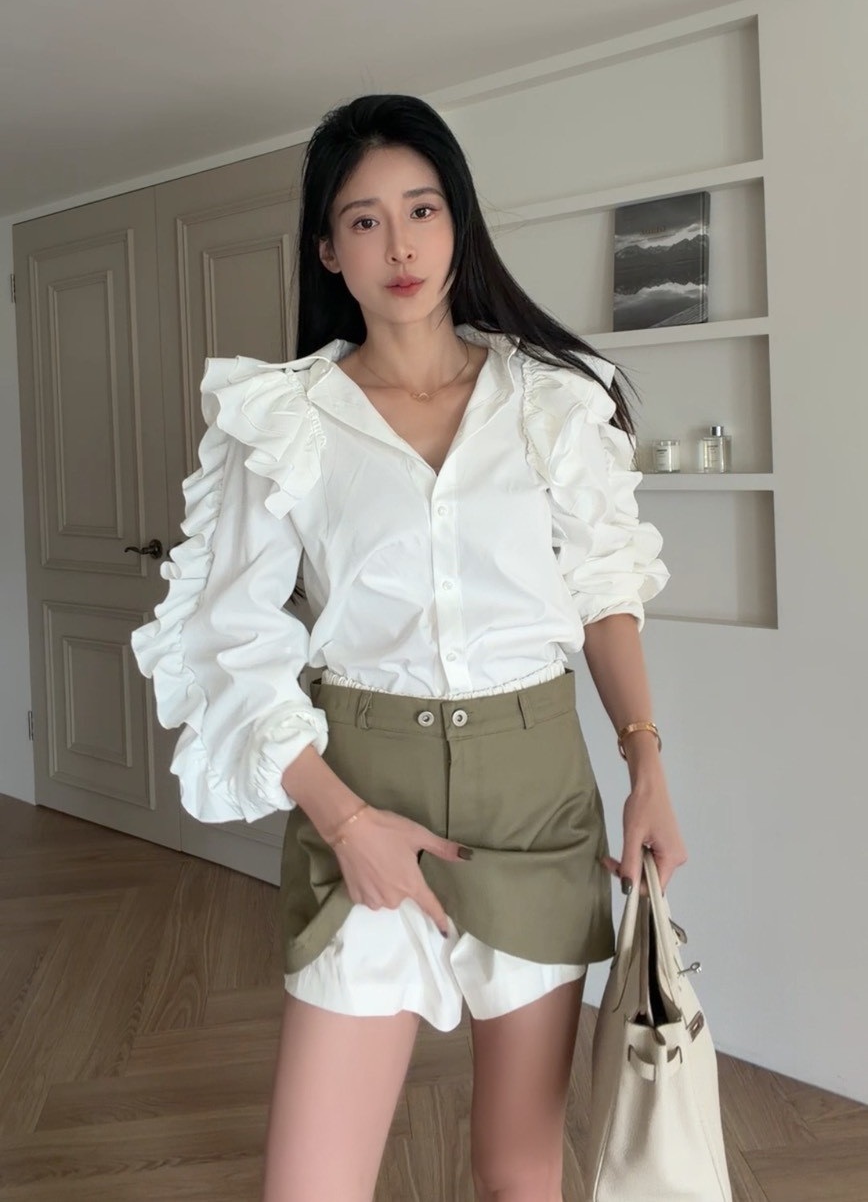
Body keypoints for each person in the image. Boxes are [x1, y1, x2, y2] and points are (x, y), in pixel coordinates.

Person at [130, 92, 687, 1202]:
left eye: (422, 209)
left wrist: (647, 765)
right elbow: (228, 638)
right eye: (366, 219)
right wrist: (344, 821)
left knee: (518, 1172)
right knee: (310, 1186)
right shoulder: (283, 419)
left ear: (457, 222)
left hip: (534, 802)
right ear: (327, 249)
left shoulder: (549, 400)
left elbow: (604, 595)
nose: (400, 245)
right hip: (363, 797)